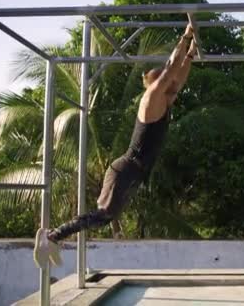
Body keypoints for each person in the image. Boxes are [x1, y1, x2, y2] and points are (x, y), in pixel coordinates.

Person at [33, 24, 198, 269]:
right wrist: (186, 35)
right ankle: (51, 237)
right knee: (103, 215)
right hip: (126, 169)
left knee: (105, 216)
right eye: (166, 80)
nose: (172, 83)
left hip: (133, 172)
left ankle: (53, 238)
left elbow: (180, 75)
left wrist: (192, 52)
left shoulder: (166, 100)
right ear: (156, 82)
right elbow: (172, 69)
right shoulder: (152, 97)